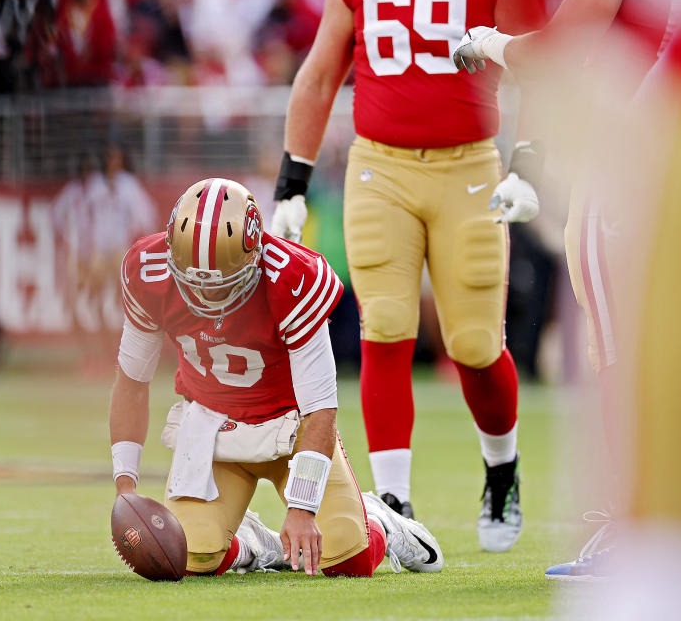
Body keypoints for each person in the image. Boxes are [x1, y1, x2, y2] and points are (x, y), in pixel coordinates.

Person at [270, 0, 548, 551]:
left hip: (467, 164)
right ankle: (394, 500)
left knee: (474, 343)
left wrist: (526, 163)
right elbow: (320, 75)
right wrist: (290, 184)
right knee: (387, 323)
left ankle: (502, 467)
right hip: (380, 167)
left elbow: (539, 59)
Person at [451, 0, 681, 580]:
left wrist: (489, 41)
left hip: (655, 146)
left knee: (618, 340)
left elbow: (559, 47)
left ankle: (637, 531)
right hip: (675, 136)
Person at [109, 178, 443, 577]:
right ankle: (259, 546)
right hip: (215, 428)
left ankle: (380, 522)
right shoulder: (149, 271)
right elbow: (131, 380)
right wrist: (125, 485)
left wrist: (303, 508)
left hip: (292, 429)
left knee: (346, 559)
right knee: (190, 557)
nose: (204, 296)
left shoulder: (292, 278)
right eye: (192, 280)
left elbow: (320, 408)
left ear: (254, 256)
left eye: (220, 283)